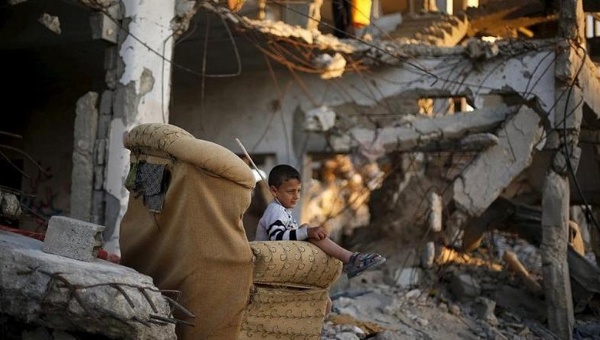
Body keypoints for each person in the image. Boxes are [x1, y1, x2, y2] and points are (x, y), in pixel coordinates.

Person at [255, 164, 386, 279]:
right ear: (274, 191)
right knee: (308, 231)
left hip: (283, 258)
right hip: (272, 261)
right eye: (290, 191)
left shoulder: (282, 211)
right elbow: (277, 237)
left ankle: (349, 259)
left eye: (299, 191)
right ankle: (351, 259)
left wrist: (305, 230)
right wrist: (306, 233)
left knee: (325, 301)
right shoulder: (275, 210)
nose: (296, 196)